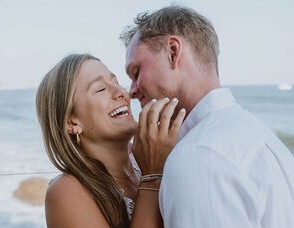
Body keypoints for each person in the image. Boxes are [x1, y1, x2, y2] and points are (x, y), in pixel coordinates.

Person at [120, 5, 294, 228]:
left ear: (173, 52)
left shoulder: (198, 155)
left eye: (136, 73)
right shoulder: (261, 138)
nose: (132, 91)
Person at [35, 53, 186, 227]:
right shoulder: (66, 192)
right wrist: (152, 177)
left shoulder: (152, 152)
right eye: (101, 89)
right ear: (71, 121)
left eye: (115, 82)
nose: (122, 92)